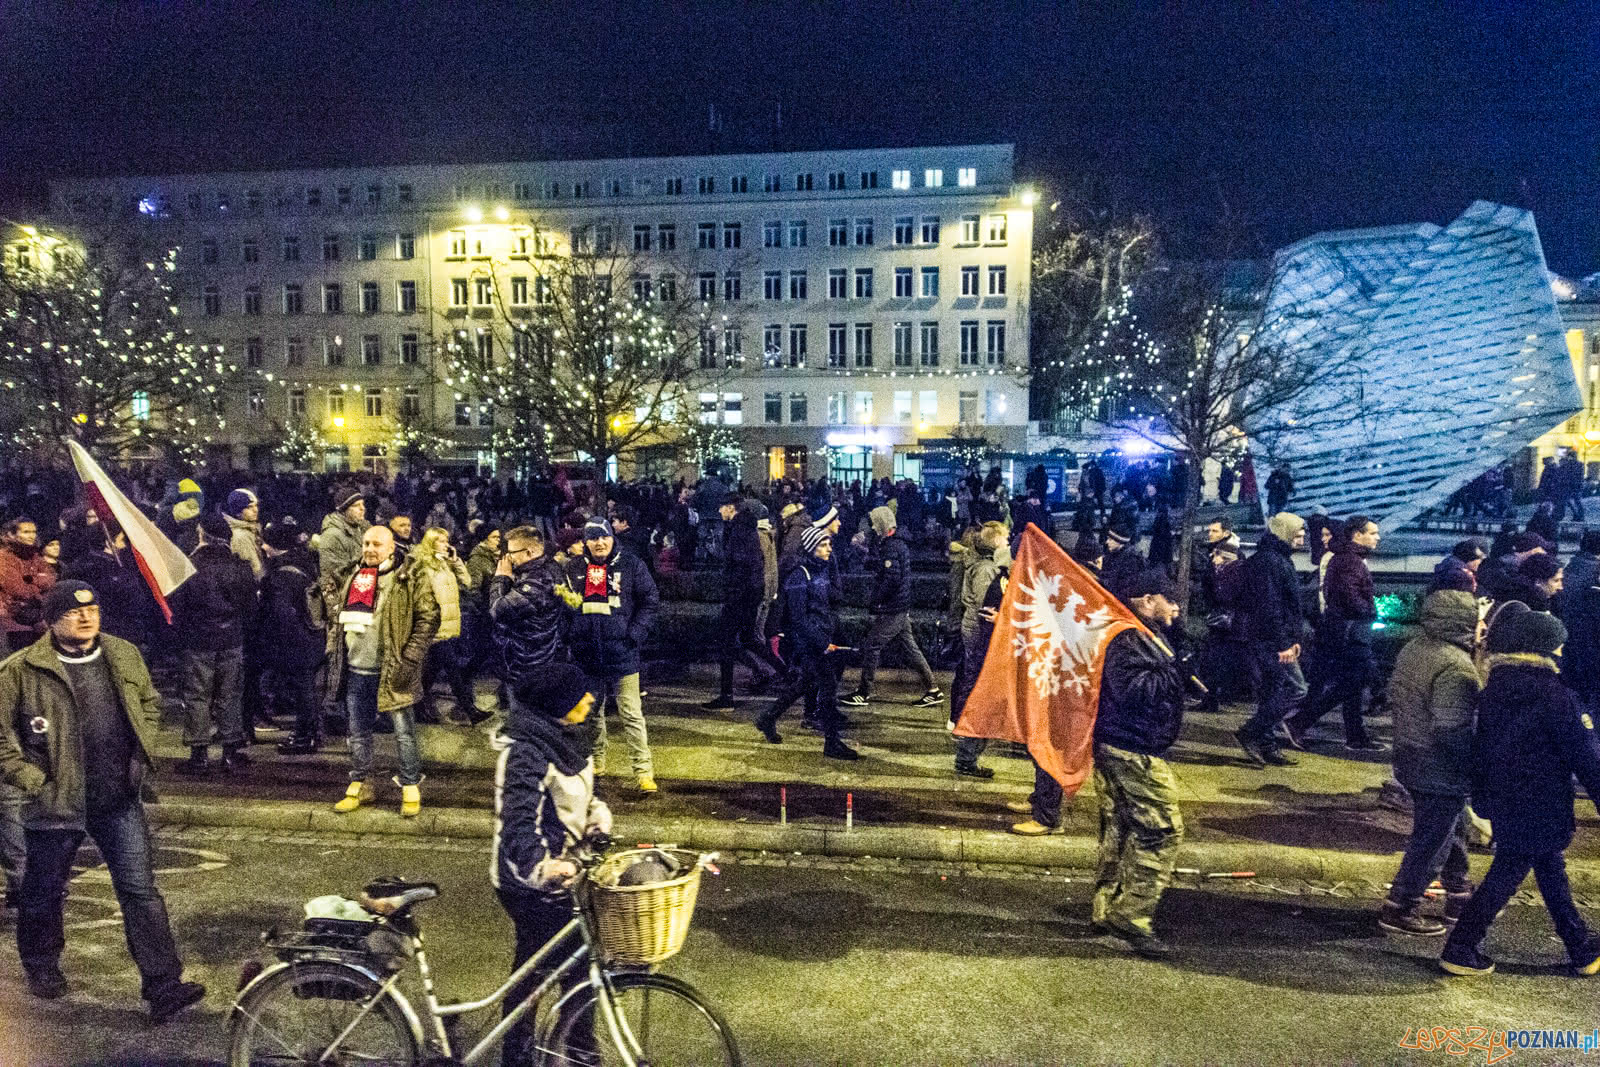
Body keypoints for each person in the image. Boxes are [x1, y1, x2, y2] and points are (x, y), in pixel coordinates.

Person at [0, 580, 205, 1021]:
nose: (86, 616)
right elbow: (1, 737)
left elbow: (149, 703)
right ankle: (41, 963)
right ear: (52, 620)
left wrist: (141, 749)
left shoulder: (122, 653)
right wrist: (31, 778)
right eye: (74, 612)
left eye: (92, 608)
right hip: (56, 800)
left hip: (117, 797)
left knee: (140, 891)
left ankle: (163, 984)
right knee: (43, 890)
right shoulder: (21, 669)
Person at [1439, 604, 1600, 977]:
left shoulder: (1496, 688)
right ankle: (1460, 946)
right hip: (1541, 800)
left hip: (1506, 797)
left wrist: (1483, 797)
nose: (1562, 651)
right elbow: (1585, 756)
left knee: (1548, 867)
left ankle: (1581, 947)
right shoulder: (1556, 696)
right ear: (1542, 649)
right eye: (1557, 645)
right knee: (1509, 871)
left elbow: (1484, 748)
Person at [491, 662, 612, 1066]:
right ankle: (538, 1055)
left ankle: (570, 1053)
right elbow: (518, 825)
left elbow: (581, 798)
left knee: (564, 968)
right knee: (550, 972)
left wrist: (596, 817)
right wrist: (543, 867)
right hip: (528, 885)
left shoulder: (570, 739)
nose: (591, 699)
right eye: (582, 696)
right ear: (560, 705)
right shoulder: (526, 752)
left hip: (567, 877)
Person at [1090, 570, 1188, 959]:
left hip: (1126, 744)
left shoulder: (1140, 632)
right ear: (1148, 600)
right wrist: (1173, 670)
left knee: (1120, 827)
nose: (1177, 606)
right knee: (1162, 830)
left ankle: (1106, 908)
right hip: (1134, 748)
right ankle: (1132, 915)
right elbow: (1133, 691)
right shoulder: (1129, 637)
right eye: (1170, 599)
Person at [1378, 589, 1482, 936]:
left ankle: (1460, 895)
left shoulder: (1414, 648)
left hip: (1409, 751)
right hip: (1437, 763)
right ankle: (1400, 907)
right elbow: (1451, 729)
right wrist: (1474, 766)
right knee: (1433, 839)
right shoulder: (1456, 666)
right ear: (1464, 622)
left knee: (1450, 828)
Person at [327, 524, 440, 817]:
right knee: (358, 731)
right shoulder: (354, 574)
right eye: (366, 543)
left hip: (393, 669)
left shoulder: (409, 576)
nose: (369, 549)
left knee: (404, 733)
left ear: (392, 547)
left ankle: (410, 784)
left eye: (377, 544)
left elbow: (428, 619)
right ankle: (361, 782)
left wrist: (410, 659)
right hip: (355, 668)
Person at [1010, 536, 1106, 836]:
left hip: (1067, 684)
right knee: (1043, 742)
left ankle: (1048, 817)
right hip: (1059, 680)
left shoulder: (1084, 588)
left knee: (1050, 746)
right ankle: (1040, 800)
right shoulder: (1079, 584)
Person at [563, 518, 661, 793]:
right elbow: (566, 606)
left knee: (631, 714)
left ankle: (643, 773)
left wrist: (634, 635)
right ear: (585, 542)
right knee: (592, 714)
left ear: (611, 538)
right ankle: (597, 762)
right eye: (593, 538)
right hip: (588, 656)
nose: (599, 543)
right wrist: (573, 634)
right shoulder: (573, 569)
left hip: (623, 655)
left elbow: (650, 601)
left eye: (603, 537)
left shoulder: (630, 564)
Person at [756, 526, 860, 760]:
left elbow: (826, 605)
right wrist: (822, 642)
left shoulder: (820, 571)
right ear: (812, 548)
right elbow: (798, 618)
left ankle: (768, 718)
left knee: (804, 684)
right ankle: (832, 743)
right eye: (823, 545)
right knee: (828, 687)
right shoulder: (799, 576)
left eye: (829, 544)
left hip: (820, 639)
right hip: (810, 644)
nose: (828, 549)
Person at [171, 514, 258, 776]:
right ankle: (230, 751)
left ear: (203, 535)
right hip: (231, 639)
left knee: (198, 696)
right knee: (230, 693)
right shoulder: (240, 567)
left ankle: (199, 754)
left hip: (198, 640)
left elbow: (179, 608)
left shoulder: (189, 567)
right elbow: (250, 608)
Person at [1287, 516, 1383, 752]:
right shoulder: (1350, 561)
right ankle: (1299, 721)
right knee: (1351, 682)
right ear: (1357, 535)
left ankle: (1354, 736)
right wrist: (1370, 611)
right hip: (1350, 632)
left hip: (1343, 630)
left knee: (1350, 684)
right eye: (1372, 533)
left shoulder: (1350, 558)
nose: (1377, 537)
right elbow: (1348, 596)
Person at [844, 506, 944, 710]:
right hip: (899, 605)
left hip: (893, 608)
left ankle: (864, 692)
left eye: (874, 523)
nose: (871, 527)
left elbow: (891, 578)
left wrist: (877, 601)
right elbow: (885, 569)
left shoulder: (891, 546)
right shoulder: (896, 544)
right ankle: (933, 690)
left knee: (872, 646)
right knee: (911, 649)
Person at [1234, 512, 1308, 767]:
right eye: (1297, 534)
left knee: (1273, 689)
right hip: (1270, 640)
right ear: (1284, 534)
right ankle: (1252, 732)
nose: (1302, 539)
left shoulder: (1274, 560)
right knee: (1297, 689)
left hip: (1270, 638)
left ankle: (1266, 743)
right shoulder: (1271, 562)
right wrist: (1285, 642)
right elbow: (1271, 606)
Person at [704, 496, 781, 709]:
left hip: (740, 596)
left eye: (721, 507)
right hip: (749, 594)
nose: (719, 512)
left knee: (727, 643)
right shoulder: (747, 529)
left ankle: (726, 695)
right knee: (749, 639)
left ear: (731, 508)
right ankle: (787, 674)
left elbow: (740, 565)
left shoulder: (739, 531)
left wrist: (732, 592)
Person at [258, 521, 326, 756]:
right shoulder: (305, 564)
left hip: (295, 642)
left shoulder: (280, 576)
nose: (264, 547)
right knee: (308, 688)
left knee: (303, 689)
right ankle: (312, 732)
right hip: (313, 635)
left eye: (267, 542)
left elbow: (282, 614)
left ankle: (304, 736)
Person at [950, 522, 1010, 779]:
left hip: (979, 633)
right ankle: (966, 749)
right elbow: (988, 610)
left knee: (976, 688)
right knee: (979, 690)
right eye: (1006, 539)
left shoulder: (988, 567)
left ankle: (966, 746)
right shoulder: (988, 571)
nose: (1008, 542)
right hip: (983, 636)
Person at [492, 525, 578, 696]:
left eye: (512, 552)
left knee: (527, 716)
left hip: (528, 663)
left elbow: (497, 610)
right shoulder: (550, 567)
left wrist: (500, 578)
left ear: (529, 552)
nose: (508, 558)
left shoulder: (536, 582)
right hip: (541, 659)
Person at [415, 527, 483, 726]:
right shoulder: (423, 565)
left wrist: (456, 561)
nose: (447, 545)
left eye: (447, 541)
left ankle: (417, 706)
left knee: (432, 671)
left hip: (449, 622)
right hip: (435, 625)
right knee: (452, 667)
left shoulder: (445, 563)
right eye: (441, 541)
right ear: (431, 543)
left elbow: (467, 581)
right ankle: (470, 710)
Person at [0, 517, 55, 653]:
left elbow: (51, 579)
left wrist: (31, 580)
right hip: (13, 625)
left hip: (39, 620)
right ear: (11, 534)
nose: (32, 535)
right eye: (26, 532)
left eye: (34, 532)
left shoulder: (35, 556)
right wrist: (39, 582)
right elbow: (18, 590)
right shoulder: (3, 557)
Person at [1099, 518, 1144, 606]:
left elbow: (1125, 590)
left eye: (1110, 539)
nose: (1107, 542)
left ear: (1120, 541)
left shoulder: (1131, 560)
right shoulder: (1114, 554)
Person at [223, 488, 265, 581]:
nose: (255, 510)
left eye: (256, 505)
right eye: (249, 507)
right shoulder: (240, 536)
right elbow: (255, 569)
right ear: (238, 512)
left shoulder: (250, 528)